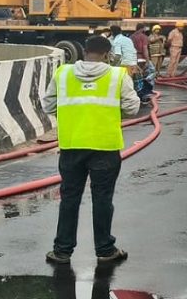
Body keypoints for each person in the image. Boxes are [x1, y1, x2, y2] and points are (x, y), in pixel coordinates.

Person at [43, 35, 140, 265]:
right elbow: (133, 108)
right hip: (105, 147)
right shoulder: (118, 76)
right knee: (103, 199)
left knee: (69, 198)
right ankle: (105, 250)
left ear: (85, 51)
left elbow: (48, 104)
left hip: (71, 146)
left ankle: (62, 251)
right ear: (107, 54)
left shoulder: (63, 74)